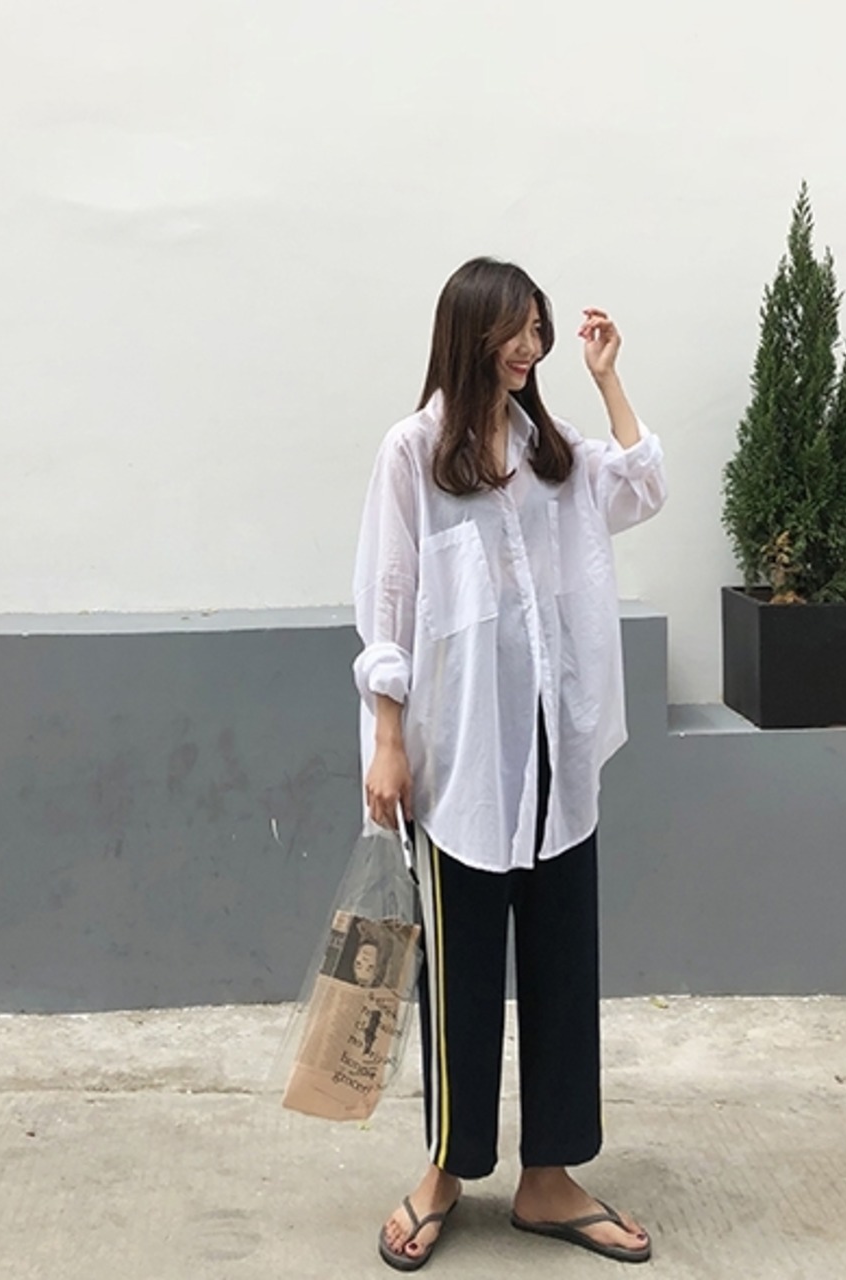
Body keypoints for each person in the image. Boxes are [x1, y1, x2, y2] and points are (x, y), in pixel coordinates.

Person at [352, 256, 666, 1270]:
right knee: (462, 977)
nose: (531, 347)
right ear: (470, 334)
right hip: (460, 763)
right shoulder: (413, 453)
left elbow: (643, 485)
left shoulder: (552, 451)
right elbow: (388, 602)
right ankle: (446, 1168)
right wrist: (387, 741)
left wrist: (608, 378)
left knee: (564, 966)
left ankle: (549, 1177)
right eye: (516, 331)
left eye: (539, 329)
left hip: (555, 755)